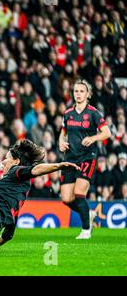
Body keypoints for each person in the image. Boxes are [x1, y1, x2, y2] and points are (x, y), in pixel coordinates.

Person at [58, 79, 111, 239]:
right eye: (76, 91)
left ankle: (86, 230)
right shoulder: (67, 114)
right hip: (70, 158)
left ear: (88, 94)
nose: (78, 94)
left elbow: (107, 132)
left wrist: (93, 138)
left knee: (79, 193)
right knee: (66, 198)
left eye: (81, 91)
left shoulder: (93, 113)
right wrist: (61, 142)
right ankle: (89, 213)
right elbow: (63, 132)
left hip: (87, 157)